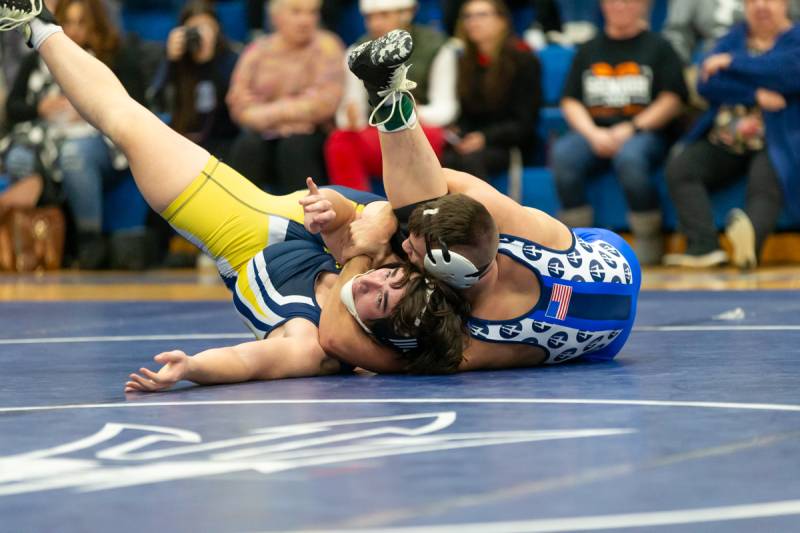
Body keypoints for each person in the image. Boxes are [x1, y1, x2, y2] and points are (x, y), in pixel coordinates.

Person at [0, 3, 468, 391]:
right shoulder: (411, 285)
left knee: (129, 125)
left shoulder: (310, 345)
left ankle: (35, 21)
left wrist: (193, 368)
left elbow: (251, 361)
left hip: (249, 237)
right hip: (329, 224)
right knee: (421, 217)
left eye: (380, 302)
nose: (373, 284)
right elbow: (392, 235)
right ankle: (389, 95)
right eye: (390, 278)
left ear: (375, 337)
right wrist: (346, 214)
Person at [320, 29, 641, 371]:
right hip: (607, 254)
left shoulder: (482, 340)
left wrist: (362, 253)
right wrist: (384, 216)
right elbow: (441, 178)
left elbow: (335, 339)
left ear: (451, 276)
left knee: (402, 220)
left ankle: (391, 101)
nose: (406, 252)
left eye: (415, 251)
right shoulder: (497, 218)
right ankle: (390, 99)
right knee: (411, 212)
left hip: (611, 323)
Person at [663, 0, 800, 269]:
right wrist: (756, 93)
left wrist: (731, 63)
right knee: (682, 168)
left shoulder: (795, 38)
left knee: (765, 182)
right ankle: (704, 246)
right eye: (752, 1)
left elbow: (789, 74)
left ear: (785, 4)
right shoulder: (734, 37)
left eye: (769, 0)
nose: (761, 6)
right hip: (725, 138)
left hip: (775, 140)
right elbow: (707, 83)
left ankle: (748, 249)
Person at [550, 0, 688, 266]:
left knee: (630, 159)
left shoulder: (660, 47)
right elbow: (570, 101)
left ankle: (648, 238)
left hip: (644, 132)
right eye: (613, 1)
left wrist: (631, 128)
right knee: (564, 156)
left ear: (643, 6)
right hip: (595, 132)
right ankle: (574, 243)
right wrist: (592, 134)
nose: (620, 6)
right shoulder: (589, 49)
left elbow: (672, 99)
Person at [324, 0, 457, 191]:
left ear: (407, 13)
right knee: (340, 141)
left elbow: (446, 109)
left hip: (420, 126)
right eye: (369, 17)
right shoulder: (357, 50)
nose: (375, 24)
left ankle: (422, 204)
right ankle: (358, 208)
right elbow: (349, 112)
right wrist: (350, 119)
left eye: (384, 16)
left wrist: (412, 112)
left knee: (428, 135)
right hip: (376, 129)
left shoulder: (438, 47)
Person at [226, 0, 345, 195]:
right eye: (296, 12)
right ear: (275, 17)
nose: (306, 20)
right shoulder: (256, 51)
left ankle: (306, 222)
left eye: (312, 12)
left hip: (312, 136)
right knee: (247, 146)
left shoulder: (328, 45)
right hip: (264, 136)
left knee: (294, 146)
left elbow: (324, 103)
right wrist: (287, 117)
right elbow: (238, 106)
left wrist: (264, 111)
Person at [442, 0, 541, 181]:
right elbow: (465, 114)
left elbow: (524, 122)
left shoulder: (524, 61)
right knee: (443, 158)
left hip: (508, 143)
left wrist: (484, 138)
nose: (473, 22)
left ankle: (475, 210)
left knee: (471, 162)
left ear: (502, 21)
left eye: (482, 15)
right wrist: (459, 132)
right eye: (468, 16)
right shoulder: (464, 63)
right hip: (470, 141)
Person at [151, 0, 240, 159]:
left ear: (217, 28)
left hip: (224, 141)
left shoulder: (231, 58)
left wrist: (208, 62)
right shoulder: (175, 60)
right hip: (183, 141)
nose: (199, 35)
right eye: (193, 29)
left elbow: (233, 109)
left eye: (207, 28)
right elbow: (157, 101)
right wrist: (170, 62)